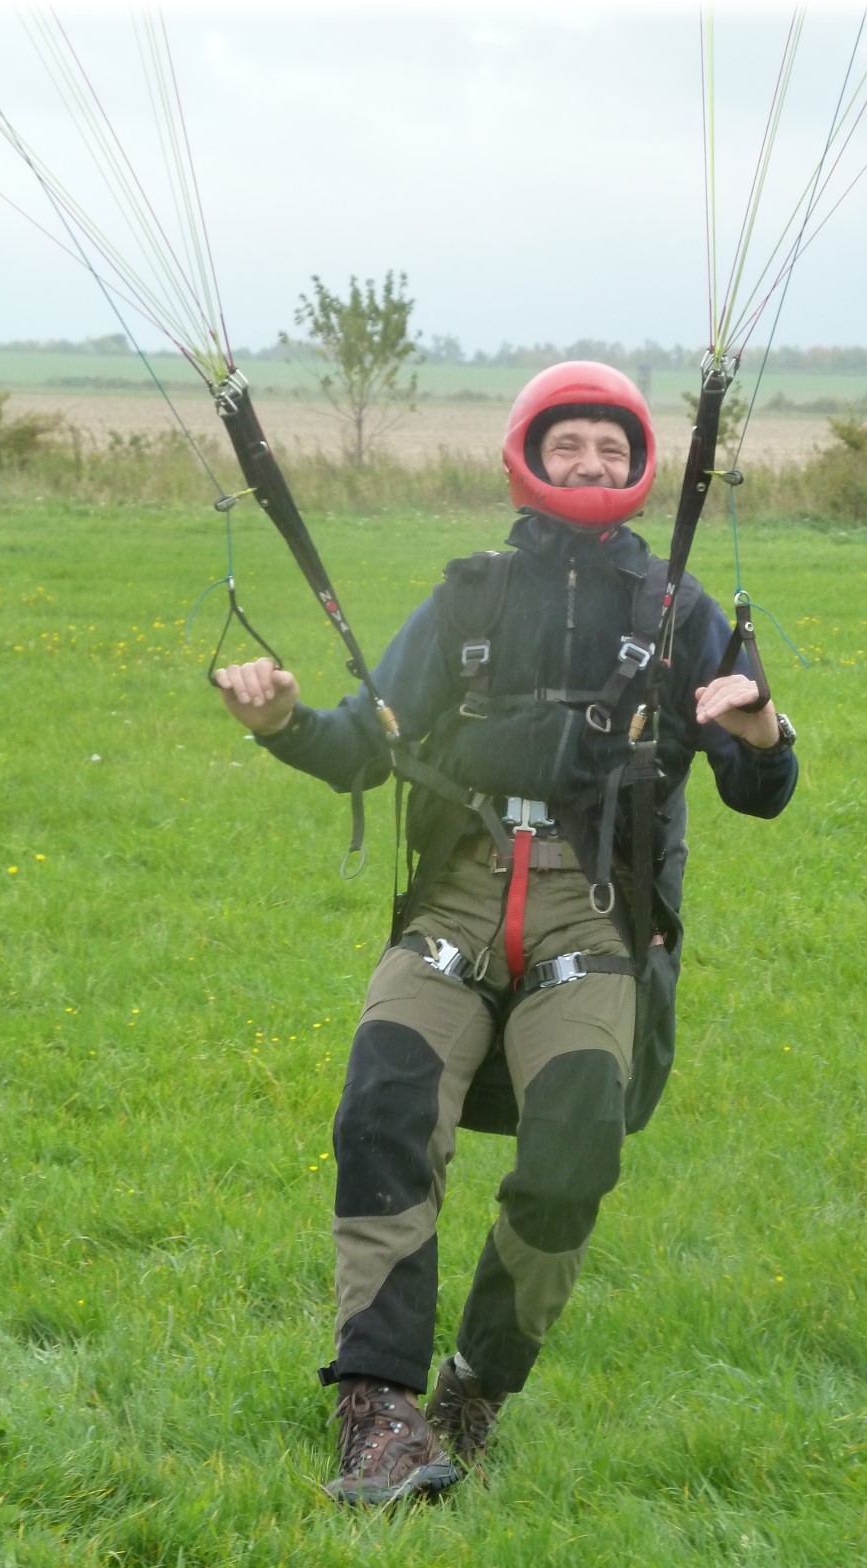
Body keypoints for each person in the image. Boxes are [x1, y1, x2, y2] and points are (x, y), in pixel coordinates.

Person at [214, 361, 799, 1506]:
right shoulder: (470, 598)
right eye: (569, 443)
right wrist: (281, 723)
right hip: (455, 904)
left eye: (613, 450)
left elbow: (759, 787)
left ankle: (475, 1385)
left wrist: (764, 728)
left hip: (594, 917)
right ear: (525, 458)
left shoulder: (680, 613)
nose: (591, 465)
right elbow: (358, 743)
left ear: (640, 470)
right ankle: (374, 1408)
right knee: (383, 1109)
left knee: (575, 1150)